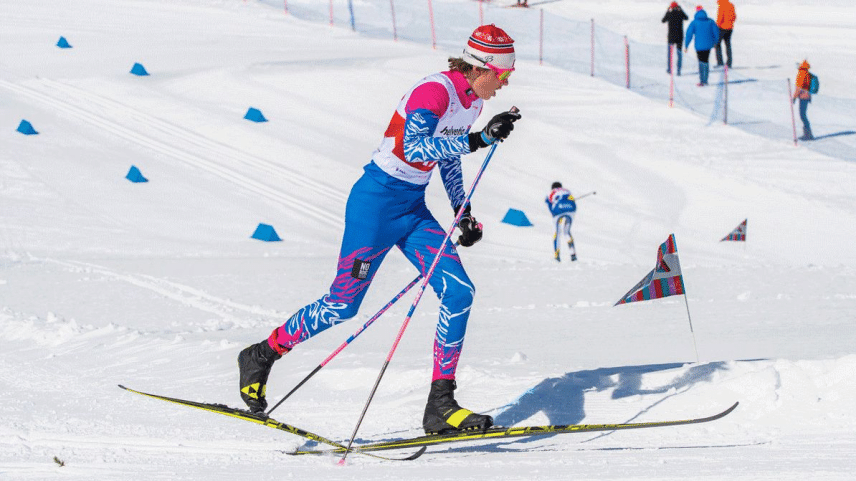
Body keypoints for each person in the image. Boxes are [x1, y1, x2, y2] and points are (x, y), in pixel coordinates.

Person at [237, 24, 521, 435]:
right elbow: (416, 147)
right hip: (375, 203)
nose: (506, 83)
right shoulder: (435, 91)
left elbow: (447, 158)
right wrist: (478, 139)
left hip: (412, 208)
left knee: (459, 292)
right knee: (343, 305)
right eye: (505, 75)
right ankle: (263, 354)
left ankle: (440, 404)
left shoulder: (472, 102)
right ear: (485, 68)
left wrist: (463, 210)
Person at [684, 5, 719, 86]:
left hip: (699, 46)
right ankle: (705, 80)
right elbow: (716, 33)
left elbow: (689, 34)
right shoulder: (710, 21)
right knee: (706, 61)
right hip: (708, 46)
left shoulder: (694, 22)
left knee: (701, 62)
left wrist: (686, 45)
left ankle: (702, 80)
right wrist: (715, 42)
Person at [545, 182, 578, 262]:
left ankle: (557, 257)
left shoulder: (551, 192)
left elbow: (548, 203)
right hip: (571, 208)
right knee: (567, 232)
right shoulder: (567, 190)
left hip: (558, 209)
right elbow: (572, 200)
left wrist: (553, 214)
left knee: (557, 233)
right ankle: (573, 254)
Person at [662, 2, 689, 75]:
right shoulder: (680, 13)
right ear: (677, 7)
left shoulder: (669, 14)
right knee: (679, 54)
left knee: (670, 54)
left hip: (671, 37)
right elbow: (686, 18)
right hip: (679, 37)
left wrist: (667, 11)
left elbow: (663, 20)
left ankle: (669, 69)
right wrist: (681, 10)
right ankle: (678, 70)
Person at [792, 60, 814, 140]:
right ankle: (808, 134)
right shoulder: (807, 73)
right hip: (807, 96)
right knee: (803, 115)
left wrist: (794, 97)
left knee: (802, 115)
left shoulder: (801, 74)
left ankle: (808, 134)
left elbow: (799, 88)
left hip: (803, 97)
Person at [714, 0, 736, 68]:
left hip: (722, 28)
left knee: (717, 44)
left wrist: (717, 26)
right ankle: (729, 63)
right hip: (730, 28)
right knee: (728, 45)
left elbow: (720, 17)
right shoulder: (731, 5)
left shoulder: (722, 5)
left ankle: (720, 62)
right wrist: (730, 23)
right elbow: (734, 17)